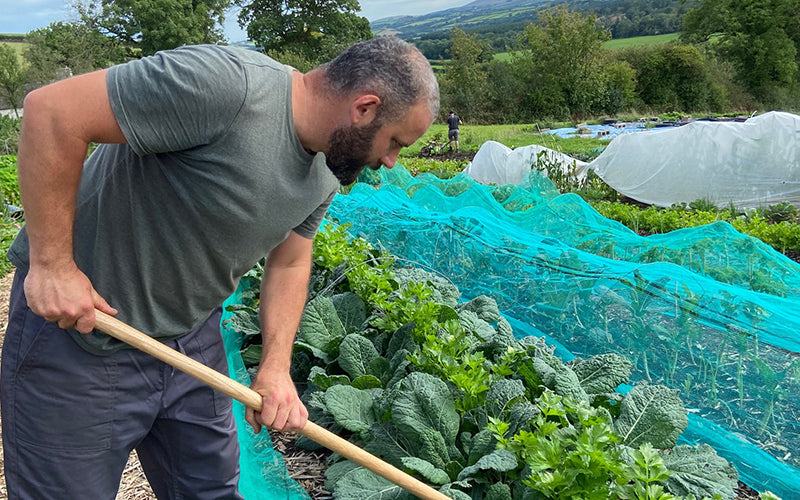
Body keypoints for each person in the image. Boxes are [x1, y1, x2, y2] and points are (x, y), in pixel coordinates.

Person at [1, 37, 438, 499]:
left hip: (192, 342)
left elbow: (290, 258)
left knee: (210, 492)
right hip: (81, 338)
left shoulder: (331, 163)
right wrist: (52, 266)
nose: (390, 162)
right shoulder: (225, 87)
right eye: (395, 143)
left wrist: (274, 365)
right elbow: (52, 111)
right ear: (364, 109)